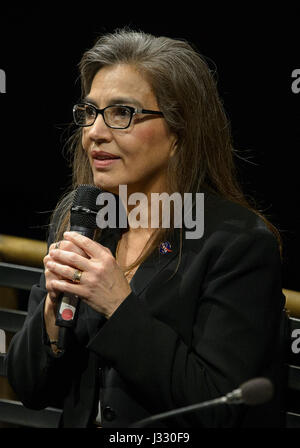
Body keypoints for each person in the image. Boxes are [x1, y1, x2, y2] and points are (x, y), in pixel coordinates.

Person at [6, 28, 285, 428]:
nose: (95, 133)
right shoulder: (81, 219)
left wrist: (117, 306)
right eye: (90, 112)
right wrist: (52, 312)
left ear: (178, 132)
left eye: (123, 113)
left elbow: (220, 408)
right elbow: (29, 389)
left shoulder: (238, 244)